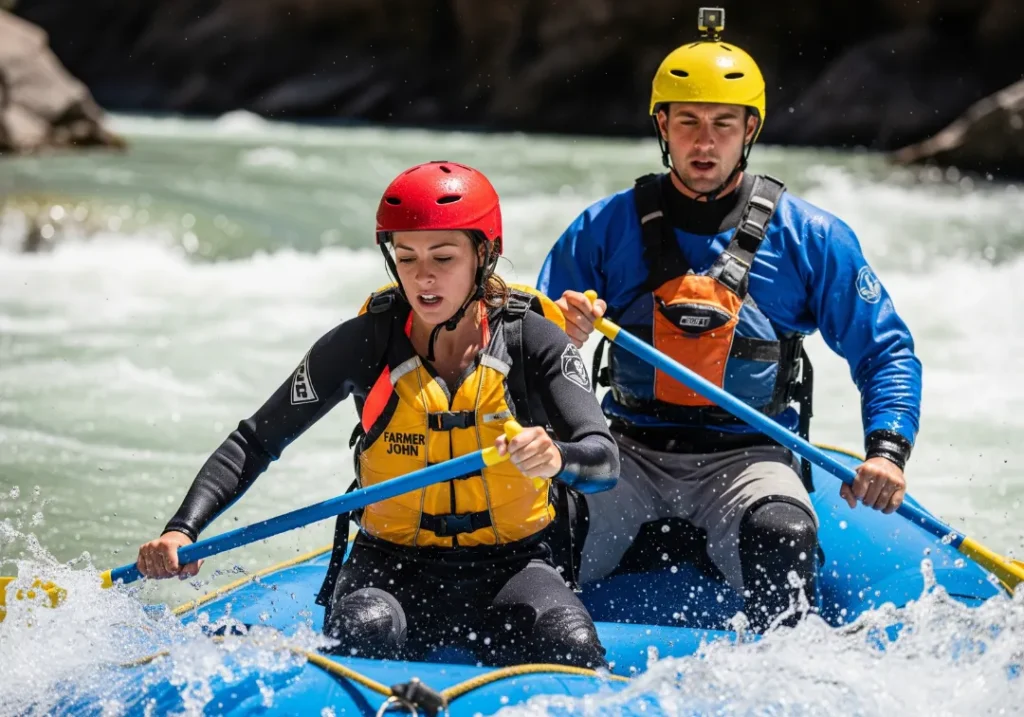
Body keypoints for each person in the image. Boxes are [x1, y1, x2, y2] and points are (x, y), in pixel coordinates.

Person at [136, 160, 619, 668]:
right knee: (365, 628)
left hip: (514, 566)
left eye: (443, 257)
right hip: (393, 569)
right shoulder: (363, 343)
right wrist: (181, 530)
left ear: (484, 255)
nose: (423, 276)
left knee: (572, 644)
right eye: (406, 258)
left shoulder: (534, 339)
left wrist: (556, 457)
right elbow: (254, 441)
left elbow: (603, 460)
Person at [536, 9, 922, 631]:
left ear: (750, 130)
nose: (705, 142)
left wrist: (887, 452)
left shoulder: (812, 237)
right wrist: (561, 330)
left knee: (781, 532)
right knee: (535, 534)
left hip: (749, 458)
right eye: (688, 122)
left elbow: (885, 352)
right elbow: (526, 345)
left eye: (723, 123)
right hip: (626, 452)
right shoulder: (603, 228)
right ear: (662, 125)